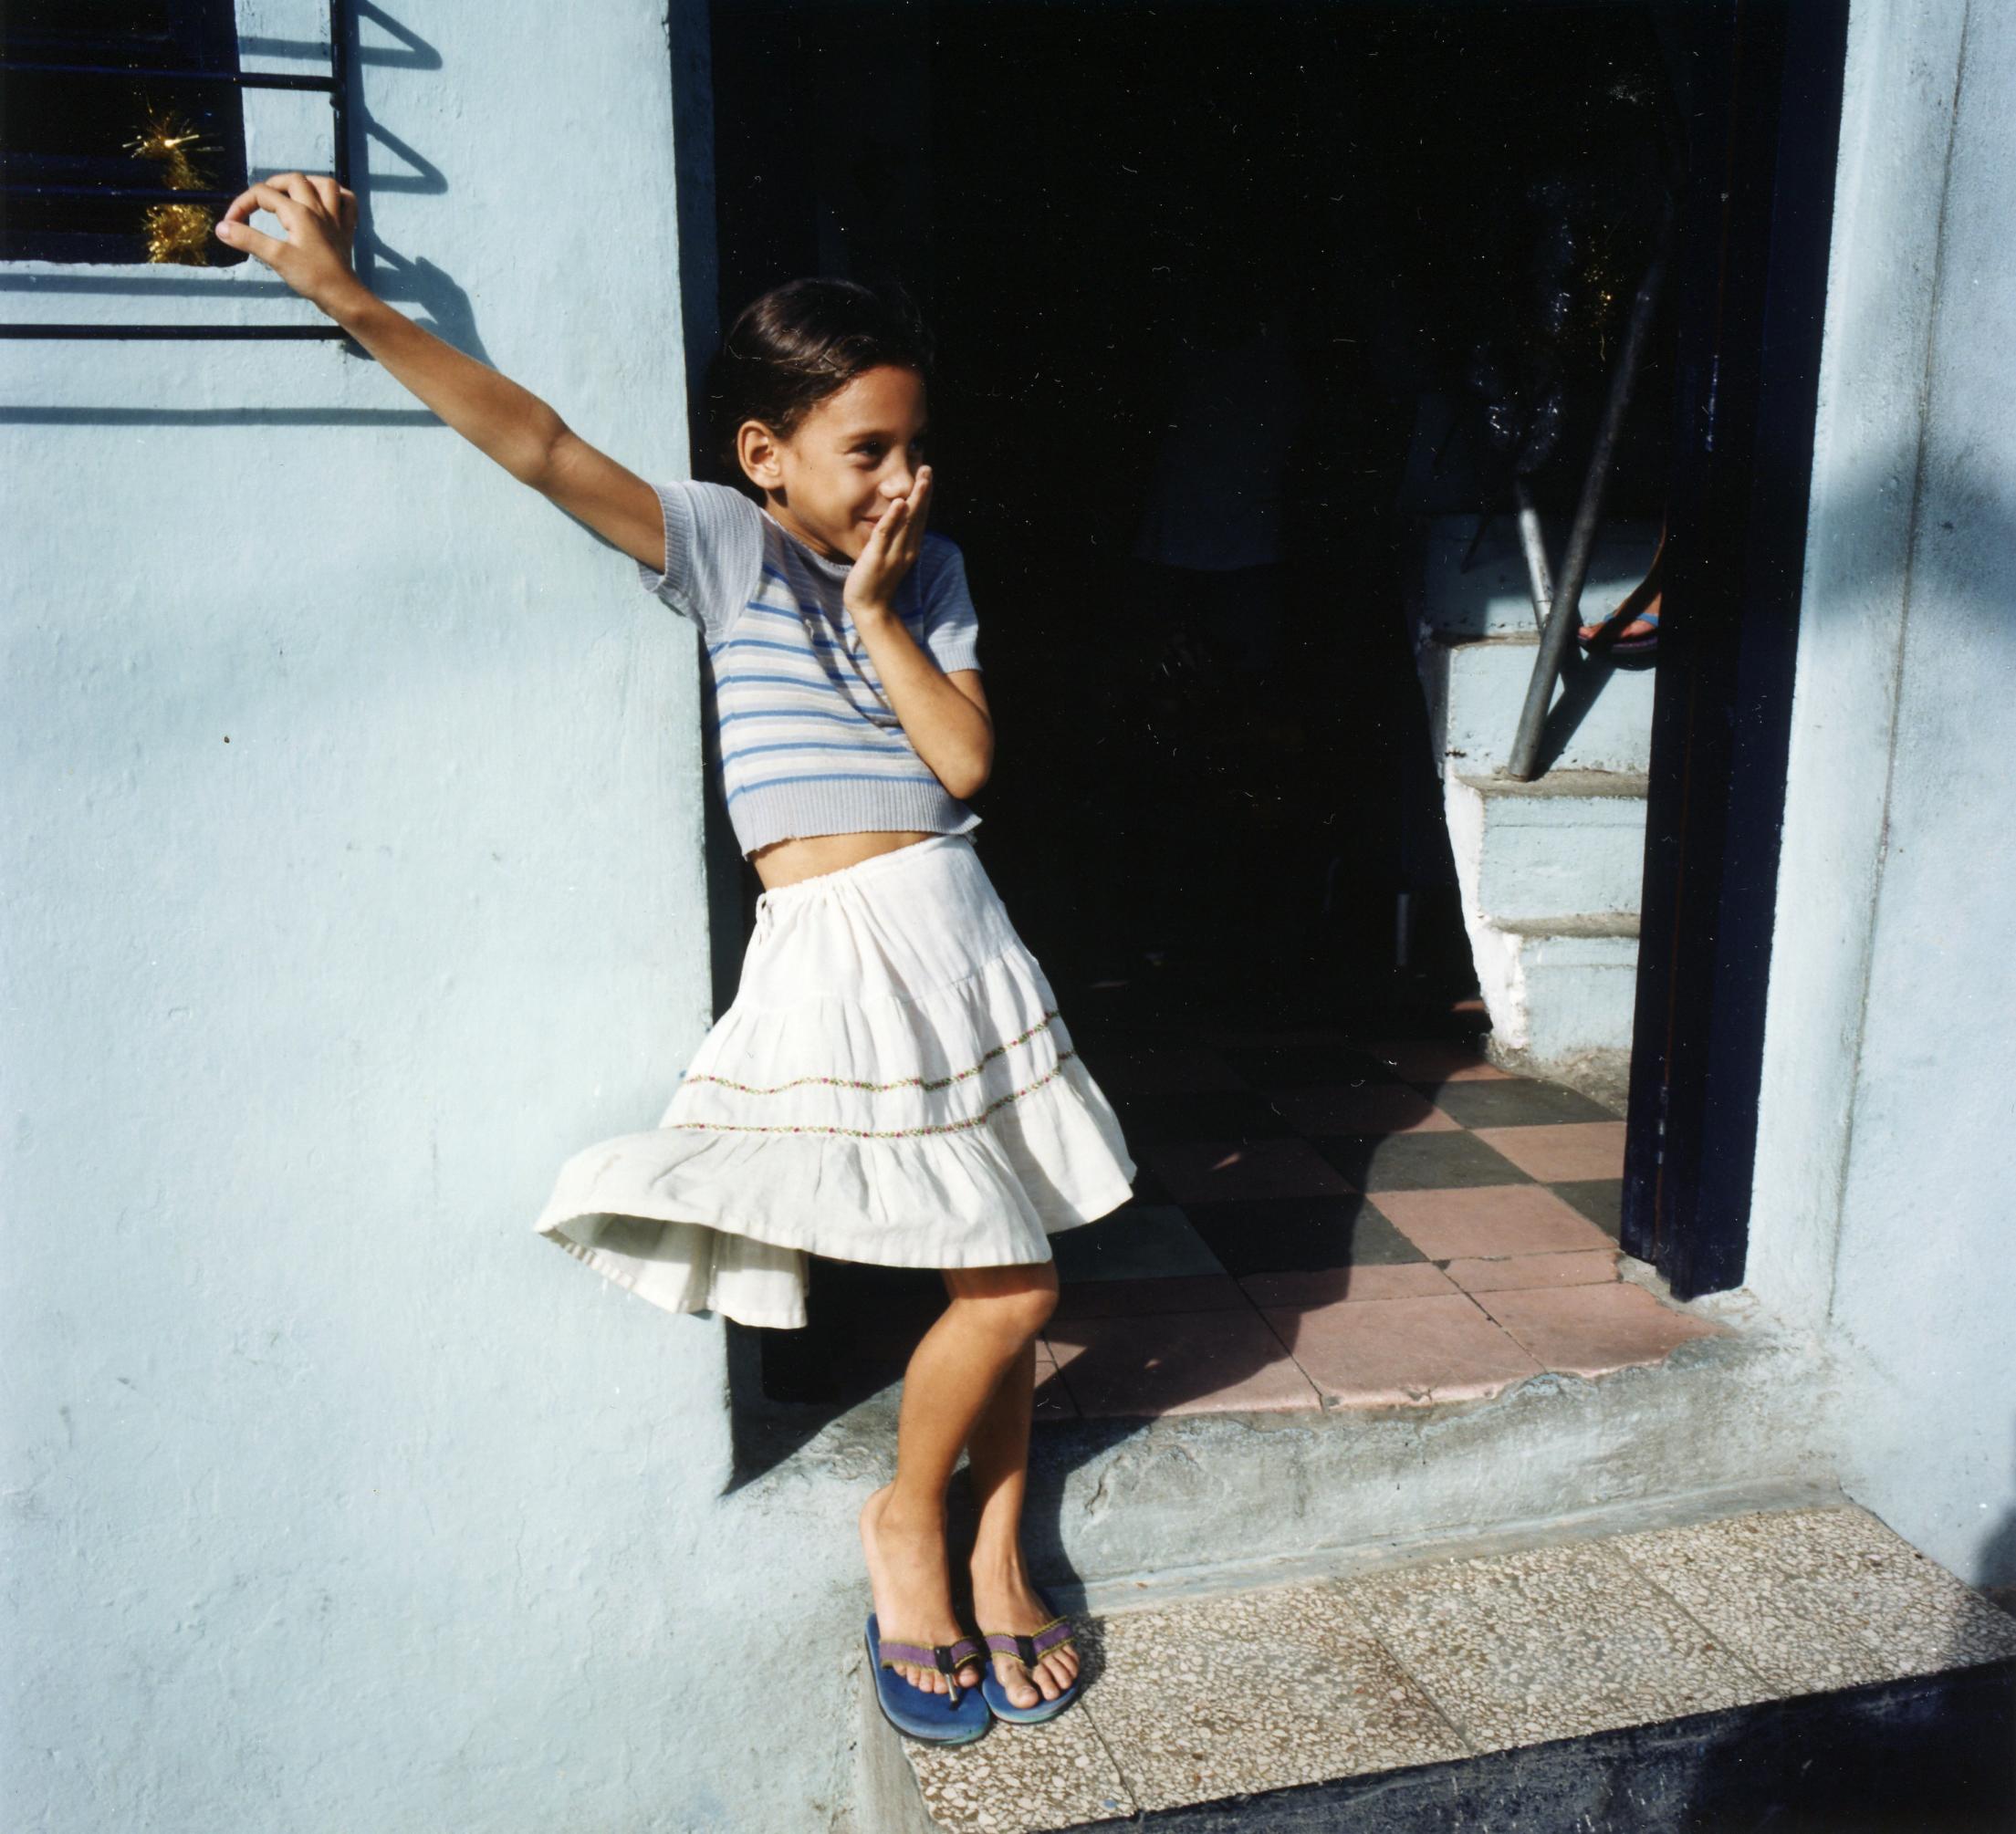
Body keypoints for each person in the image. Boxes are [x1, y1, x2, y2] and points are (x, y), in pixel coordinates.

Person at [214, 175, 1137, 1742]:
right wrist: (350, 299)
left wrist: (881, 608)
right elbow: (540, 443)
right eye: (867, 453)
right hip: (843, 953)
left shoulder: (934, 572)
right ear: (763, 454)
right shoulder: (717, 544)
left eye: (915, 449)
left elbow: (966, 765)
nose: (900, 480)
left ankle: (988, 1535)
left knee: (1010, 1258)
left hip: (959, 929)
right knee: (1011, 1279)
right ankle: (911, 1520)